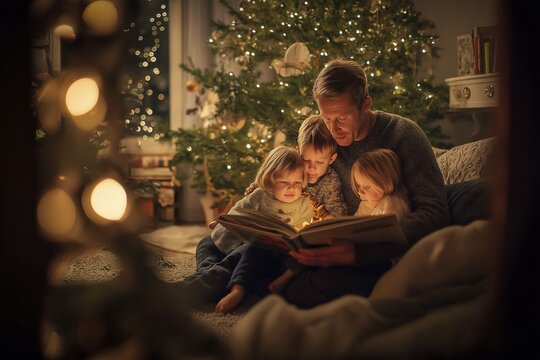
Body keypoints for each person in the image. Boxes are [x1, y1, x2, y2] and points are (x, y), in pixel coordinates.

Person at [280, 59, 450, 308]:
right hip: (328, 241)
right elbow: (303, 169)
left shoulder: (403, 135)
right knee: (223, 246)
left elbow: (434, 212)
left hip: (381, 254)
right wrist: (265, 188)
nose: (333, 129)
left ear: (366, 104)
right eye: (326, 118)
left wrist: (361, 254)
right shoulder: (328, 139)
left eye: (342, 117)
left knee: (317, 288)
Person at [181, 146, 316, 313]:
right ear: (270, 181)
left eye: (297, 182)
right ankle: (210, 273)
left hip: (263, 251)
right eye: (284, 182)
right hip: (238, 241)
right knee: (206, 243)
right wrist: (224, 223)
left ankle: (221, 284)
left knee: (250, 252)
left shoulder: (304, 205)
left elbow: (302, 235)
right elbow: (237, 211)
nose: (292, 188)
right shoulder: (259, 195)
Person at [266, 114, 348, 294]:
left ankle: (286, 277)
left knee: (311, 253)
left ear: (332, 159)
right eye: (306, 160)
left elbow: (338, 214)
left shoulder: (330, 181)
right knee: (212, 246)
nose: (311, 168)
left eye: (319, 162)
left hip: (309, 237)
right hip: (280, 233)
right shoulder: (290, 170)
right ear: (298, 151)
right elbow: (268, 183)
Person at [351, 148, 409, 220]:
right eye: (359, 185)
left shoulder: (393, 204)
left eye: (367, 186)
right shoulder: (364, 205)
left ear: (386, 183)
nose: (360, 192)